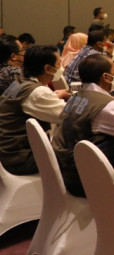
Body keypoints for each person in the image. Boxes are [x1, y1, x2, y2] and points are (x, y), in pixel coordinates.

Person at [51, 53, 114, 197]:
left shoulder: (78, 96)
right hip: (82, 178)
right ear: (106, 77)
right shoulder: (105, 107)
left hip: (65, 167)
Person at [0, 45, 71, 175]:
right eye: (59, 64)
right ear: (48, 69)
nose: (62, 68)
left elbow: (31, 103)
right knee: (73, 157)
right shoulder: (38, 92)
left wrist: (55, 96)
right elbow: (69, 116)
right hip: (19, 158)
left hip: (6, 152)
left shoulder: (18, 83)